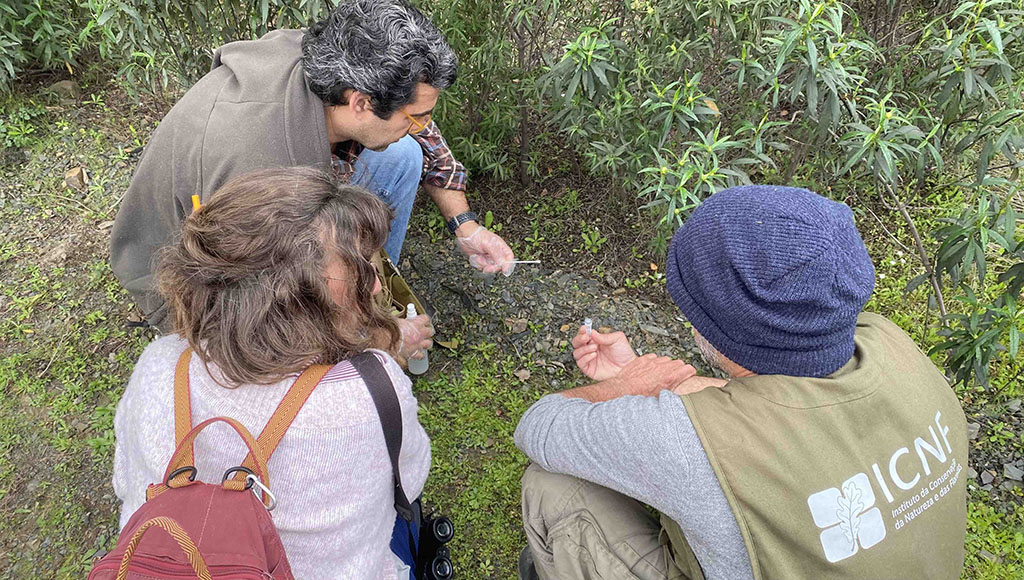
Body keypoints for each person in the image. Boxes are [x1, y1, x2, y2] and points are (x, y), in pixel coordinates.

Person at [514, 185, 968, 580]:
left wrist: (626, 387)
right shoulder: (887, 341)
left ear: (724, 332)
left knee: (549, 488)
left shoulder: (689, 446)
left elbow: (539, 427)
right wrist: (664, 391)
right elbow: (790, 408)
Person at [110, 0, 515, 340]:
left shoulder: (334, 62)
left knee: (402, 155)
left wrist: (466, 226)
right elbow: (266, 300)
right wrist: (380, 335)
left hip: (266, 209)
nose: (422, 124)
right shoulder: (263, 169)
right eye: (416, 115)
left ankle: (370, 283)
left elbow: (421, 130)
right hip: (201, 283)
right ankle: (359, 304)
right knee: (309, 330)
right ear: (360, 103)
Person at [113, 168, 431, 579]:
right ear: (295, 305)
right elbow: (411, 479)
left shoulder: (162, 363)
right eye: (360, 272)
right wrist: (376, 350)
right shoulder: (371, 391)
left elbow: (127, 481)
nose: (374, 288)